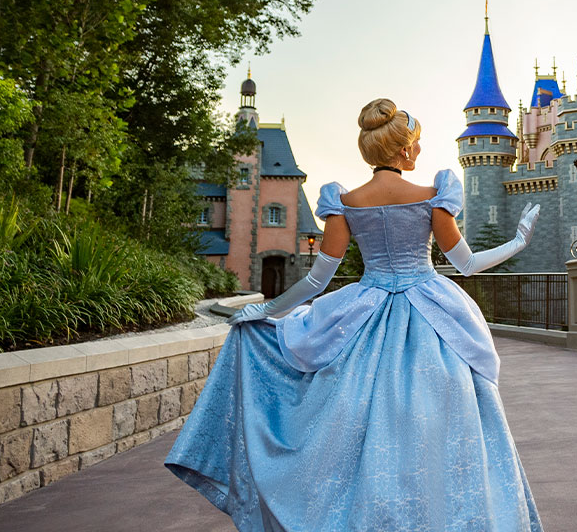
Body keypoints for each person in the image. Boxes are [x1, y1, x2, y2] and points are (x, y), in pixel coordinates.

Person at [165, 98, 544, 531]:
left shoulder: (344, 202)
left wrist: (266, 311)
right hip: (432, 315)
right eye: (415, 144)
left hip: (362, 313)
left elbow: (316, 280)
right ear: (402, 151)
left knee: (349, 422)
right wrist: (517, 242)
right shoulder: (433, 197)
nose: (419, 151)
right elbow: (467, 264)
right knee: (441, 423)